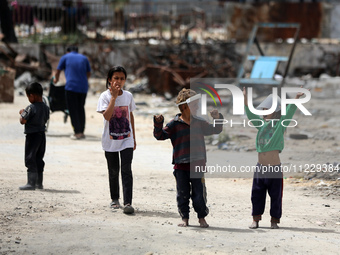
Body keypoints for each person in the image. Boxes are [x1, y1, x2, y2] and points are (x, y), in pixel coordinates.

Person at [153, 88, 223, 228]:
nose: (198, 107)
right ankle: (184, 217)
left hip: (198, 164)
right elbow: (160, 136)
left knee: (199, 193)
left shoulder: (200, 122)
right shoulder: (174, 124)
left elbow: (216, 129)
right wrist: (158, 123)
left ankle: (201, 217)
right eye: (195, 104)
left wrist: (217, 118)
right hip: (181, 165)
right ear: (184, 107)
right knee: (182, 194)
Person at [243, 87, 306, 229]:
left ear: (276, 111)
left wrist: (296, 98)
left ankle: (274, 220)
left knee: (276, 196)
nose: (263, 112)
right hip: (260, 168)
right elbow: (249, 113)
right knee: (257, 194)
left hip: (275, 169)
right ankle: (256, 219)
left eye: (267, 109)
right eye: (263, 110)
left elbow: (289, 112)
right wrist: (245, 99)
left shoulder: (280, 125)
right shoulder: (261, 125)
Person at [97, 66, 136, 214]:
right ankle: (115, 198)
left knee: (126, 170)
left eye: (122, 78)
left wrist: (134, 138)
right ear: (109, 80)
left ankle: (128, 202)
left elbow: (130, 116)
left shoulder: (128, 96)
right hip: (110, 140)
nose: (119, 81)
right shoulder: (104, 97)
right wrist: (113, 97)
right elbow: (107, 116)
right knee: (113, 171)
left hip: (127, 139)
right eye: (116, 78)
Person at [54, 45, 91, 140]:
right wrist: (84, 81)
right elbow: (88, 73)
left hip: (71, 87)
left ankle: (77, 132)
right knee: (80, 108)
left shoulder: (65, 57)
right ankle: (81, 131)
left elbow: (58, 71)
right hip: (83, 88)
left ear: (68, 51)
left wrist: (56, 80)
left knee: (73, 110)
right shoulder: (84, 58)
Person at [19, 82, 50, 190]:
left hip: (32, 136)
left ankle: (31, 183)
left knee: (30, 158)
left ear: (32, 95)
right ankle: (39, 183)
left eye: (28, 96)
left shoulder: (31, 108)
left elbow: (23, 121)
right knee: (38, 158)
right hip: (42, 136)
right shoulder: (46, 108)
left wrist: (22, 113)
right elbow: (46, 119)